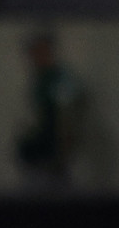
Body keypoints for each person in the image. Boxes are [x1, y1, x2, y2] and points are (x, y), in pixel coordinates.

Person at [14, 31, 88, 192]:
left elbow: (66, 115)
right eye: (34, 52)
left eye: (42, 51)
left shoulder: (59, 78)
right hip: (39, 153)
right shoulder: (40, 79)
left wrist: (64, 150)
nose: (36, 56)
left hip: (53, 153)